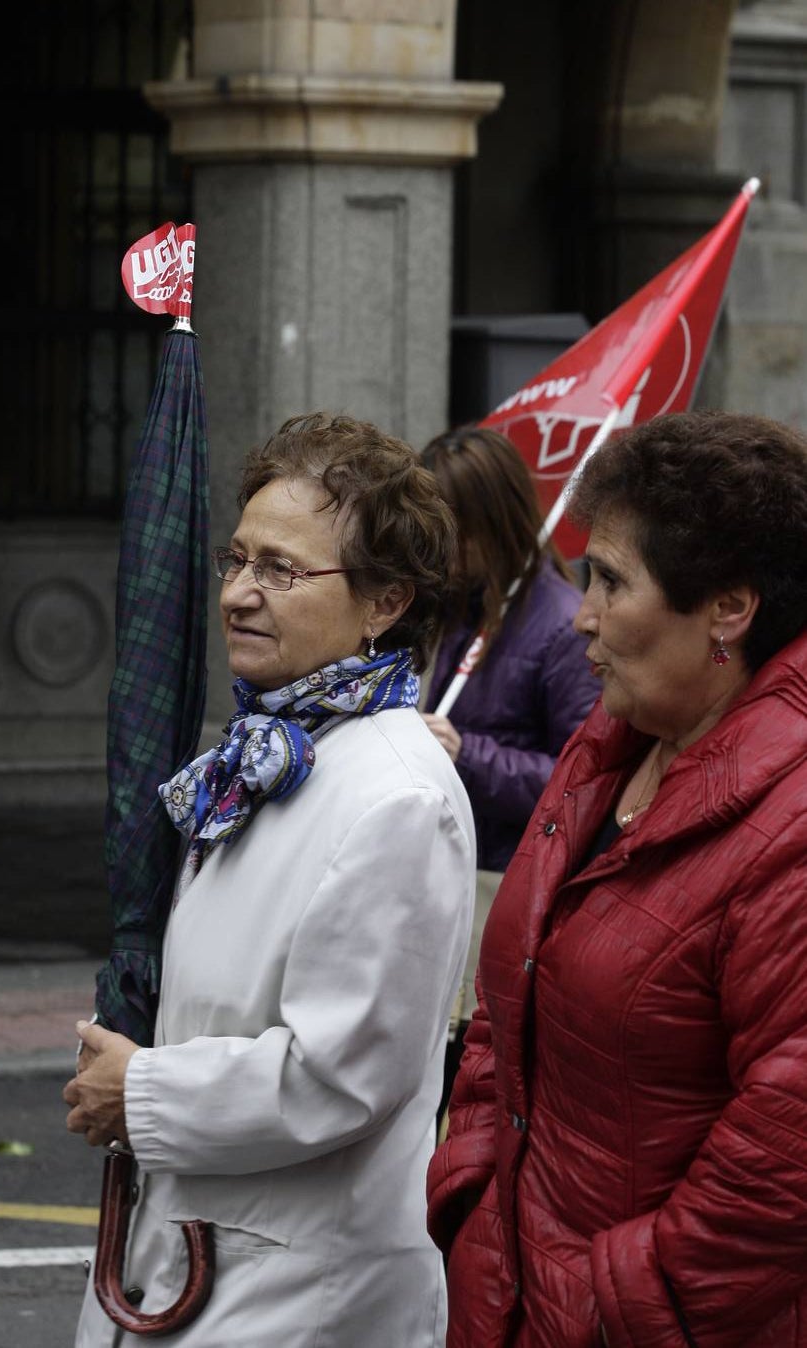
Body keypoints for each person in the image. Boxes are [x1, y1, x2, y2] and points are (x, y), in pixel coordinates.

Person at [64, 411, 477, 1348]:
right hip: (188, 1253)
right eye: (237, 560)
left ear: (385, 604)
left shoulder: (399, 796)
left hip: (303, 1287)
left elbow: (342, 1075)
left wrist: (146, 1092)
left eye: (282, 570)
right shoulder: (264, 753)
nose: (241, 594)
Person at [426, 409, 807, 1348]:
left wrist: (616, 1299)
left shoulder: (790, 823)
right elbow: (507, 1001)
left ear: (729, 608)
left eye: (609, 581)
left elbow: (785, 1147)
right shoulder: (606, 749)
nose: (583, 614)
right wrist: (472, 1185)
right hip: (513, 1294)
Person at [419, 425, 599, 1058]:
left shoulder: (560, 625)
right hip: (428, 875)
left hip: (498, 887)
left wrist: (467, 753)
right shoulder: (442, 605)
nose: (441, 550)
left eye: (455, 531)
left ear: (494, 522)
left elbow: (583, 779)